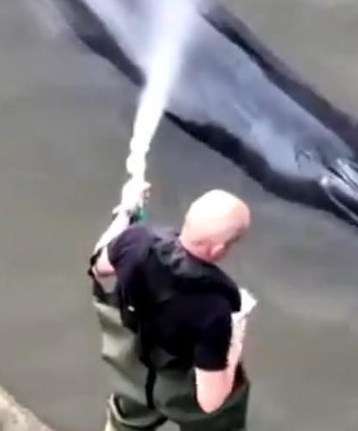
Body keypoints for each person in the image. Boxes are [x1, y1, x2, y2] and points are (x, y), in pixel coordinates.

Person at [86, 180, 253, 430]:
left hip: (132, 367)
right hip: (180, 386)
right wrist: (236, 337)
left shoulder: (135, 240)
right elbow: (210, 401)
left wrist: (124, 213)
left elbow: (99, 268)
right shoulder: (213, 309)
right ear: (218, 249)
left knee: (127, 419)